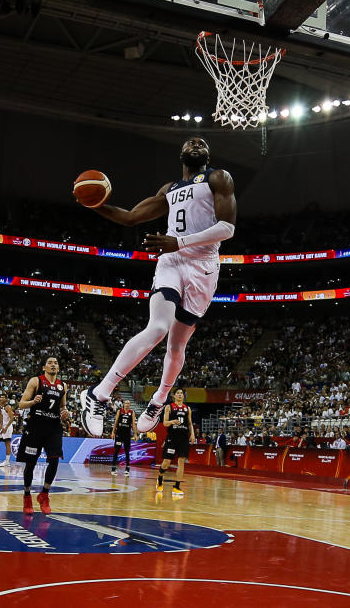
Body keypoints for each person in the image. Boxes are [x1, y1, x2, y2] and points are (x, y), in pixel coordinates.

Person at [79, 137, 237, 435]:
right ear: (181, 154)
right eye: (190, 141)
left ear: (207, 155)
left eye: (201, 142)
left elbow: (227, 228)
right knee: (158, 327)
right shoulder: (169, 190)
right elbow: (129, 217)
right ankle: (98, 394)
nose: (195, 143)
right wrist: (95, 203)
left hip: (203, 267)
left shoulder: (218, 178)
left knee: (177, 346)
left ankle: (159, 399)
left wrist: (179, 241)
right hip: (172, 261)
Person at [16, 356, 69, 515]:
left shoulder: (63, 385)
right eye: (50, 363)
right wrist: (33, 401)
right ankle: (27, 496)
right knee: (30, 464)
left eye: (56, 363)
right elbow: (21, 404)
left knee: (54, 461)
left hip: (53, 427)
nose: (53, 365)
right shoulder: (35, 381)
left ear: (58, 368)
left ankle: (44, 494)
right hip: (35, 426)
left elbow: (63, 407)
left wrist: (64, 413)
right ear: (44, 367)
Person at [156, 388, 194, 498]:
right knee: (167, 461)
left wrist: (192, 434)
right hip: (172, 437)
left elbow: (190, 423)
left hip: (183, 438)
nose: (180, 395)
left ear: (184, 396)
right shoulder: (169, 407)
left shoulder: (188, 409)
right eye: (178, 393)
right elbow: (165, 423)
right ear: (174, 396)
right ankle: (160, 476)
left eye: (181, 393)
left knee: (181, 461)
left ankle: (176, 487)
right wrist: (172, 422)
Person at [110, 397, 134, 476]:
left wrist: (136, 434)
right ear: (123, 404)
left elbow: (133, 424)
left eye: (128, 403)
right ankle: (113, 467)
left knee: (127, 451)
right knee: (117, 450)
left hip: (127, 434)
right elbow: (116, 422)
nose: (127, 405)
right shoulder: (119, 411)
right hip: (119, 434)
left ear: (130, 405)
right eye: (126, 403)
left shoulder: (132, 412)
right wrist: (113, 432)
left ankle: (127, 468)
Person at [0, 392, 17, 468]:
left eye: (3, 397)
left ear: (6, 399)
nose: (2, 398)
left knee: (7, 443)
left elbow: (12, 418)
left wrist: (6, 428)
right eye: (1, 397)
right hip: (1, 426)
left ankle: (7, 461)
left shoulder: (7, 407)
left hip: (7, 427)